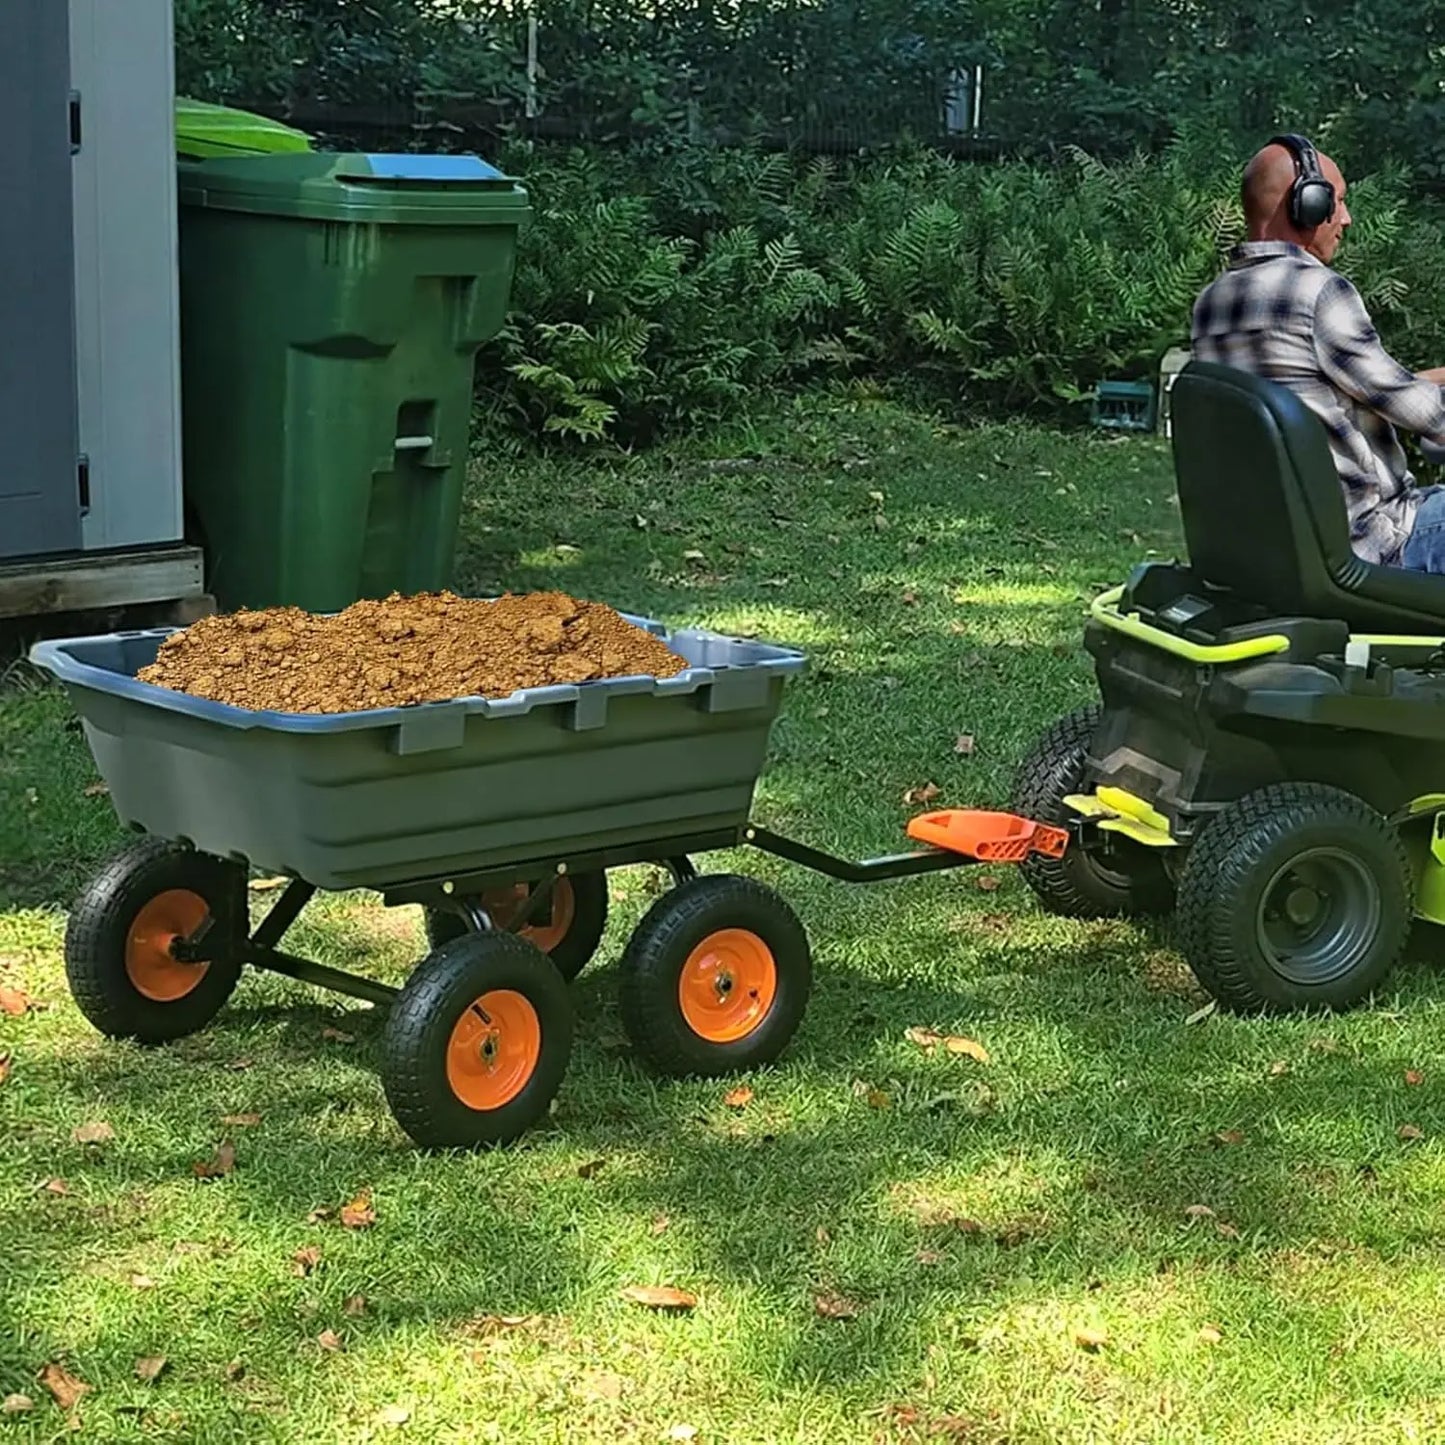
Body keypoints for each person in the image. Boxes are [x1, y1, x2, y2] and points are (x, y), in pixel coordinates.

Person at [1190, 133, 1445, 572]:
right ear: (1305, 204)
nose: (1345, 219)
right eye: (1338, 202)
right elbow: (1430, 418)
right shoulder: (1317, 292)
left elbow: (1326, 394)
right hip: (1373, 539)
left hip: (1278, 542)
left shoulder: (1212, 302)